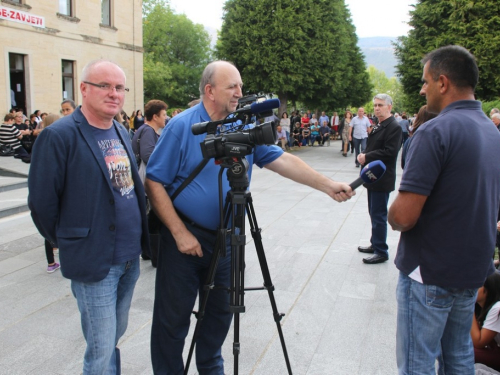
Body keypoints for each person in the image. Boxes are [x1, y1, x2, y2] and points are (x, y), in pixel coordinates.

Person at [145, 60, 354, 375]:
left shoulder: (243, 124)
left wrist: (327, 185)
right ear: (209, 90)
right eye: (232, 86)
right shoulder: (181, 126)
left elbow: (281, 159)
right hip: (185, 241)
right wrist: (178, 233)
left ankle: (211, 366)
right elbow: (154, 180)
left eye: (240, 86)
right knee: (172, 320)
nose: (239, 92)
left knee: (219, 315)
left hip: (229, 239)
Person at [28, 59, 149, 374]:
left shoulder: (120, 130)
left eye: (119, 87)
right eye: (104, 86)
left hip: (128, 258)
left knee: (113, 336)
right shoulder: (59, 136)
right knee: (100, 346)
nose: (114, 94)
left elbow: (125, 188)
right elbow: (42, 202)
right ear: (83, 89)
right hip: (95, 260)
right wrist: (68, 241)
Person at [388, 45, 500, 374]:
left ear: (442, 82)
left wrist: (392, 214)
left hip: (430, 273)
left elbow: (404, 217)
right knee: (458, 357)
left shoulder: (434, 132)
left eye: (425, 82)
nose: (422, 89)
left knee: (416, 364)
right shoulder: (492, 133)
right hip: (471, 271)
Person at [357, 94, 402, 264]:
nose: (376, 108)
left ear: (389, 107)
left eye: (380, 105)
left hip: (382, 177)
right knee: (373, 212)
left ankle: (381, 251)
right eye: (375, 105)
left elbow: (390, 152)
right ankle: (375, 244)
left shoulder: (394, 127)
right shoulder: (379, 125)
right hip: (374, 177)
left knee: (379, 214)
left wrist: (367, 156)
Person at [132, 99, 168, 267]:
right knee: (152, 217)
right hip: (148, 178)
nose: (166, 118)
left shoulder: (145, 130)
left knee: (150, 216)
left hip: (145, 177)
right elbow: (149, 156)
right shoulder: (148, 131)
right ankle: (152, 253)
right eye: (163, 114)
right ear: (155, 116)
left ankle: (148, 251)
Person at [471, 272, 500, 371]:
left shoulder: (498, 308)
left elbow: (479, 342)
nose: (471, 289)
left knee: (460, 351)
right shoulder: (484, 309)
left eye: (477, 285)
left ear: (488, 289)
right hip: (495, 351)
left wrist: (467, 306)